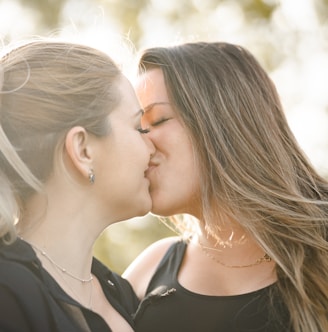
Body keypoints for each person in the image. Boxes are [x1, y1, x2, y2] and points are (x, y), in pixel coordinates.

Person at [123, 42, 328, 332]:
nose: (142, 144)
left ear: (223, 120)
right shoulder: (148, 272)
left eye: (158, 120)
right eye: (138, 130)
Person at [0, 39, 155, 331]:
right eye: (138, 128)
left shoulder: (119, 293)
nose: (152, 147)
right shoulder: (8, 294)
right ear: (83, 150)